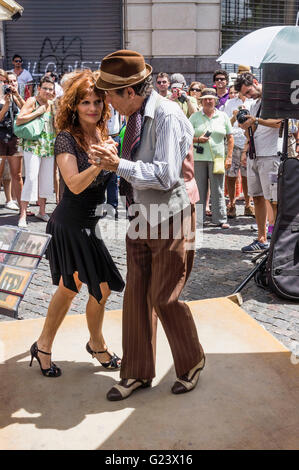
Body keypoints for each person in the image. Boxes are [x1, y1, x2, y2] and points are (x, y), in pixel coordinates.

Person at [91, 49, 205, 401]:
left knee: (164, 296)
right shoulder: (136, 115)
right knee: (137, 294)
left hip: (171, 215)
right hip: (140, 213)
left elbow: (166, 175)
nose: (105, 101)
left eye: (109, 94)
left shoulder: (167, 114)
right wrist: (118, 157)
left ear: (130, 91)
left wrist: (118, 165)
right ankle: (137, 371)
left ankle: (191, 360)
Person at [29, 69, 125, 378]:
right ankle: (84, 345)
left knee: (81, 287)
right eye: (86, 102)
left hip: (90, 224)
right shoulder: (65, 139)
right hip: (69, 223)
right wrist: (101, 162)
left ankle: (64, 344)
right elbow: (73, 184)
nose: (93, 108)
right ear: (74, 105)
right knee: (80, 287)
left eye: (98, 101)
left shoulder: (103, 136)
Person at [234, 72, 282, 253]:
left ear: (255, 82)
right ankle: (261, 239)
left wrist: (256, 120)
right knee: (257, 197)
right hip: (256, 154)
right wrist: (245, 125)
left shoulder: (274, 100)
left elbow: (279, 123)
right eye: (245, 95)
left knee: (273, 200)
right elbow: (252, 129)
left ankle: (274, 238)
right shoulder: (254, 105)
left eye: (248, 91)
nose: (248, 96)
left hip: (271, 155)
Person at [189, 88, 234, 228]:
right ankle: (198, 219)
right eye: (205, 99)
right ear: (201, 101)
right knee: (199, 189)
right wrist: (197, 139)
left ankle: (220, 219)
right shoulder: (194, 117)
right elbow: (186, 137)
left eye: (211, 99)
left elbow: (230, 137)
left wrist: (229, 157)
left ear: (216, 101)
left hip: (218, 158)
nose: (208, 101)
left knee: (218, 189)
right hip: (198, 158)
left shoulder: (223, 116)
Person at [16, 75, 56, 227]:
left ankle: (42, 211)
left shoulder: (52, 104)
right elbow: (20, 119)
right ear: (39, 88)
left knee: (46, 181)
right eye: (44, 88)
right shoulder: (33, 101)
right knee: (31, 178)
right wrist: (38, 111)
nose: (47, 91)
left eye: (50, 89)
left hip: (48, 146)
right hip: (33, 146)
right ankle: (23, 214)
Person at [222, 87, 254, 218]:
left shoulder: (253, 102)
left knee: (247, 175)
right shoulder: (230, 103)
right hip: (234, 141)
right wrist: (234, 117)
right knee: (231, 175)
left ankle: (248, 204)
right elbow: (225, 124)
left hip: (248, 140)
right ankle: (232, 204)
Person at [0, 70, 24, 210]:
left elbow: (26, 109)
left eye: (6, 81)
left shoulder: (13, 95)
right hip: (0, 138)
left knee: (17, 174)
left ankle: (22, 208)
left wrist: (16, 95)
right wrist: (5, 107)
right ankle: (8, 199)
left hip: (14, 137)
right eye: (3, 81)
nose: (5, 84)